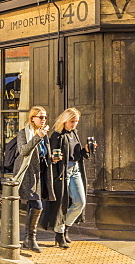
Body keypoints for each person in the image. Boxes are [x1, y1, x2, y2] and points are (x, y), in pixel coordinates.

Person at [40, 108, 95, 249]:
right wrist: (54, 159)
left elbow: (77, 154)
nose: (74, 124)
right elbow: (50, 158)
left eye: (76, 121)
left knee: (80, 202)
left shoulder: (74, 134)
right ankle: (59, 233)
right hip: (62, 173)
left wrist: (86, 150)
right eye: (72, 121)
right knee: (61, 204)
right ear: (65, 120)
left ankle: (64, 228)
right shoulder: (57, 136)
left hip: (75, 170)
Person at [15, 105, 55, 253]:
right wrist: (38, 137)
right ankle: (30, 239)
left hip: (41, 174)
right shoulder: (23, 133)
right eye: (40, 117)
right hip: (27, 174)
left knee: (34, 206)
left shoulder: (44, 135)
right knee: (37, 205)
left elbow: (42, 154)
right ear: (32, 118)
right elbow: (23, 151)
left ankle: (28, 240)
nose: (44, 120)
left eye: (45, 117)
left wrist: (52, 158)